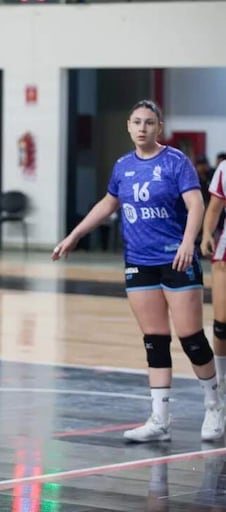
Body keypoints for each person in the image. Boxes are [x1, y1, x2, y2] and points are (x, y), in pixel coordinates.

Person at [52, 100, 224, 443]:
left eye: (149, 122)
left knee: (191, 339)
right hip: (139, 261)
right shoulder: (122, 166)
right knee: (155, 341)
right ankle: (160, 420)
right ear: (129, 127)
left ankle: (214, 406)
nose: (142, 128)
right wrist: (74, 235)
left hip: (176, 260)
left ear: (159, 127)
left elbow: (196, 203)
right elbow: (108, 203)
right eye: (136, 122)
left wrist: (188, 242)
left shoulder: (176, 162)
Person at [201, 158, 226, 396]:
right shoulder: (225, 169)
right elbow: (214, 208)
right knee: (222, 327)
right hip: (225, 255)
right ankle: (222, 384)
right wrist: (207, 232)